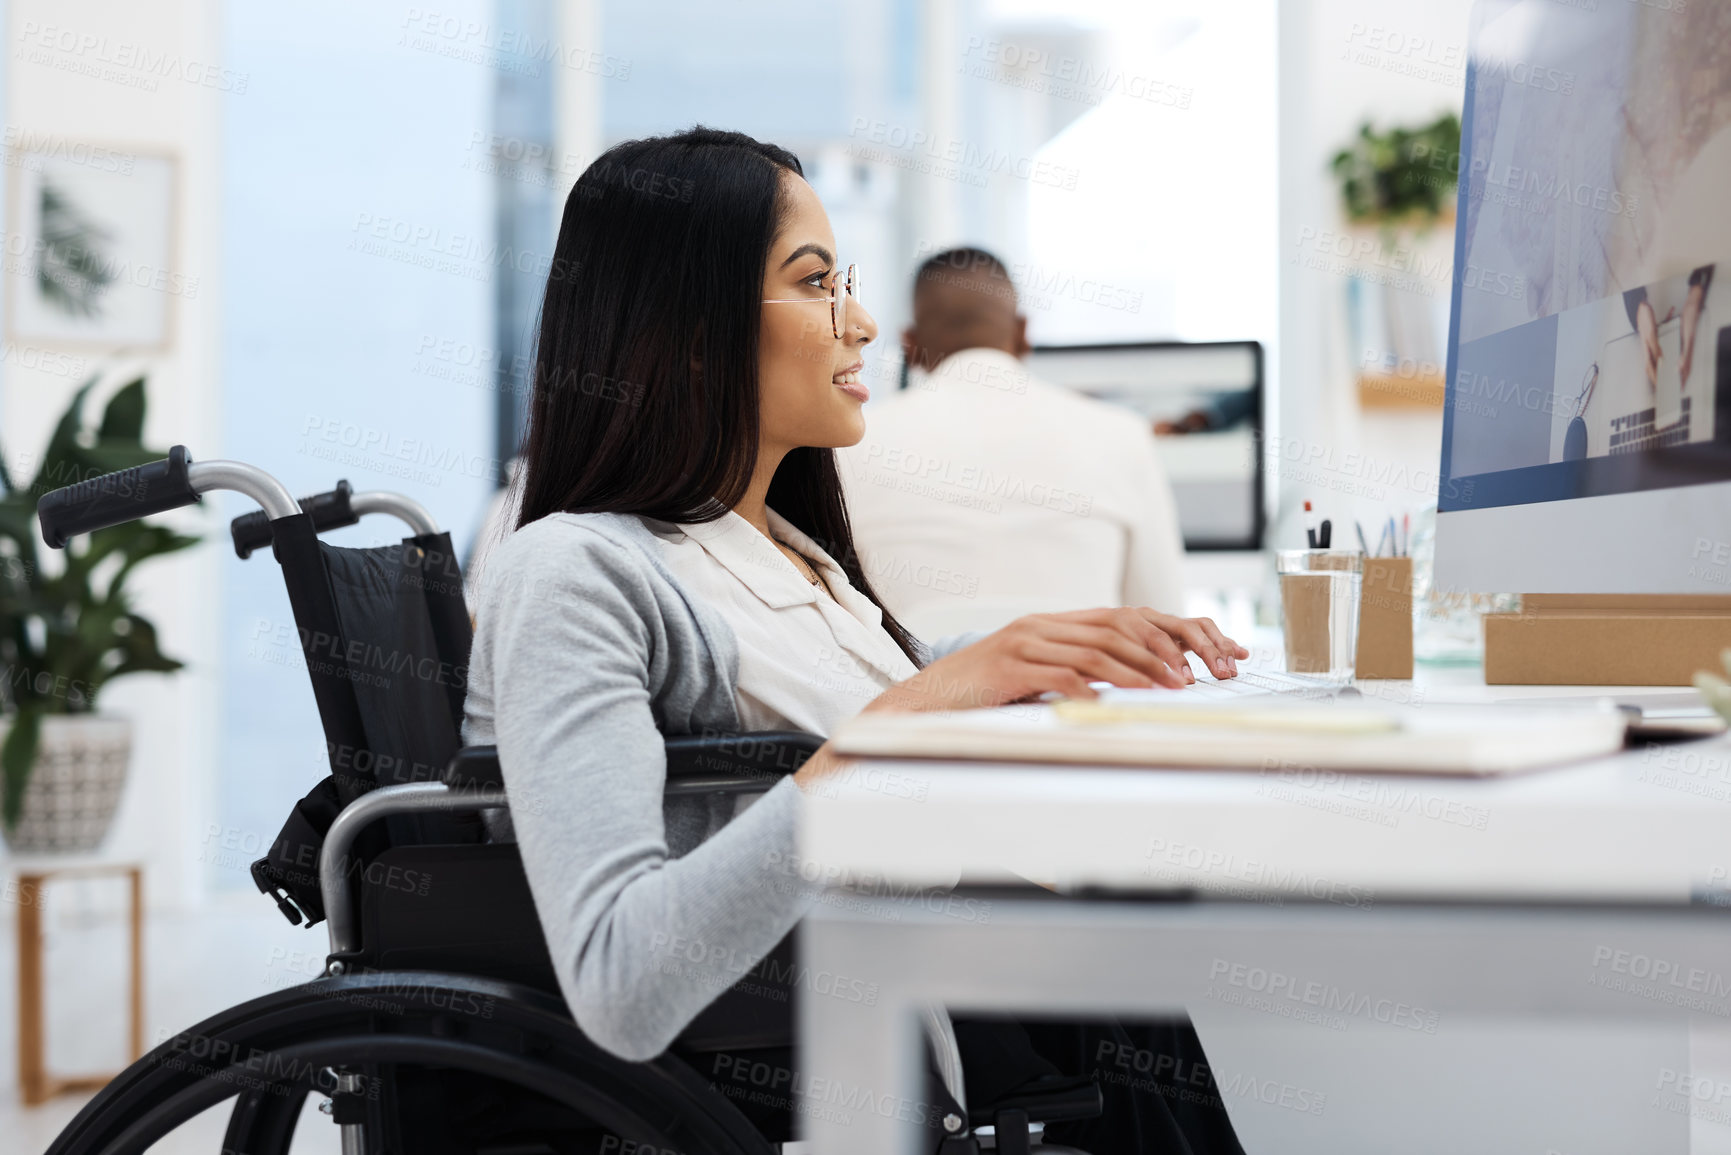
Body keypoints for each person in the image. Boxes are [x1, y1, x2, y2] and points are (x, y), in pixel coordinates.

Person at [461, 126, 1249, 1153]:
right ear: (692, 329)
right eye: (818, 283)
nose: (864, 323)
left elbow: (841, 688)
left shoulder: (781, 550)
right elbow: (623, 978)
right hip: (871, 1023)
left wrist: (1033, 652)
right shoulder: (576, 571)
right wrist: (914, 716)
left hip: (976, 973)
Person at [837, 248, 1189, 640]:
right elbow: (1166, 624)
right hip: (1082, 694)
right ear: (1023, 332)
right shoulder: (1123, 434)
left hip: (920, 695)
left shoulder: (851, 441)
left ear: (908, 344)